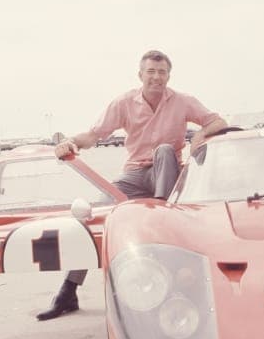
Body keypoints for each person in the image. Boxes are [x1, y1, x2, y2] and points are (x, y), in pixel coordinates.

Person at [36, 49, 228, 321]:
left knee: (164, 152)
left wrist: (199, 136)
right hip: (136, 173)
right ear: (140, 75)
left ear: (168, 76)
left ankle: (163, 226)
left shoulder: (183, 101)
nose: (156, 77)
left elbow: (218, 121)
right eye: (150, 72)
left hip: (168, 173)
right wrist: (72, 143)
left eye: (162, 72)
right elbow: (94, 134)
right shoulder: (124, 103)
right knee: (94, 215)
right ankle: (68, 291)